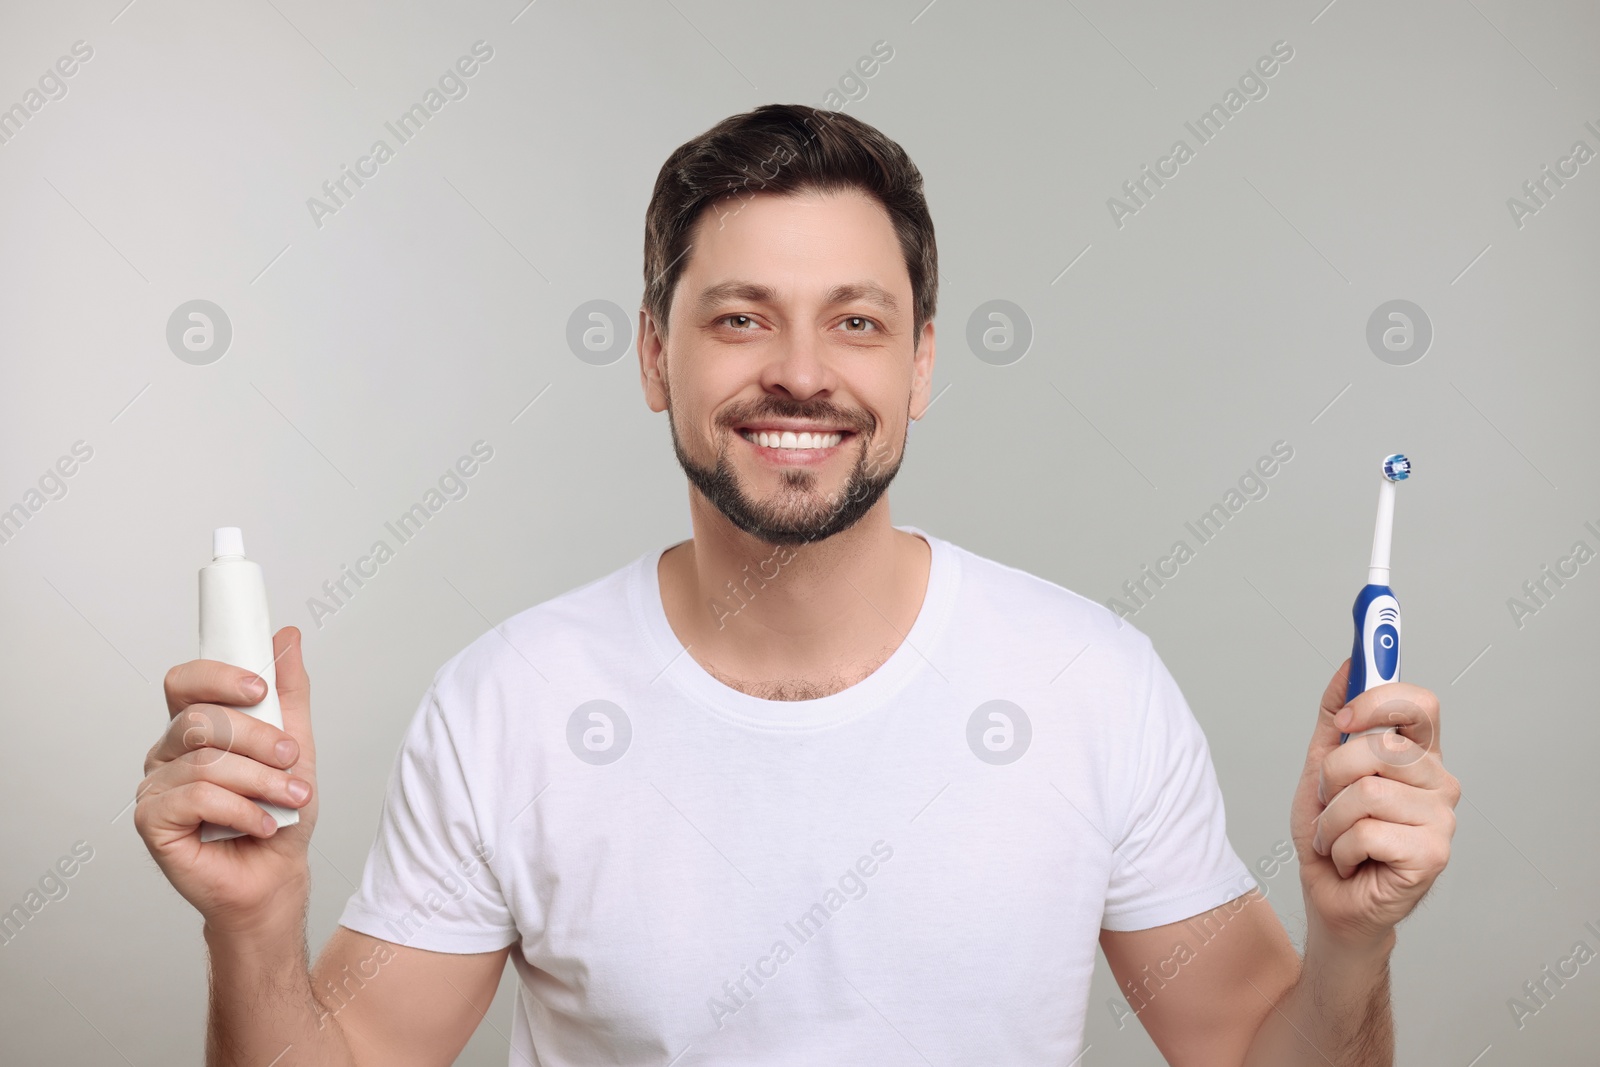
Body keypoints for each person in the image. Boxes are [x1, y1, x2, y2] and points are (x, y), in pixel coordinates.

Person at [137, 104, 1459, 1066]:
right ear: (656, 355)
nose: (802, 372)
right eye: (739, 317)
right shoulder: (511, 704)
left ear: (924, 365)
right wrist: (253, 929)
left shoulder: (1089, 683)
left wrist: (1352, 944)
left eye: (858, 321)